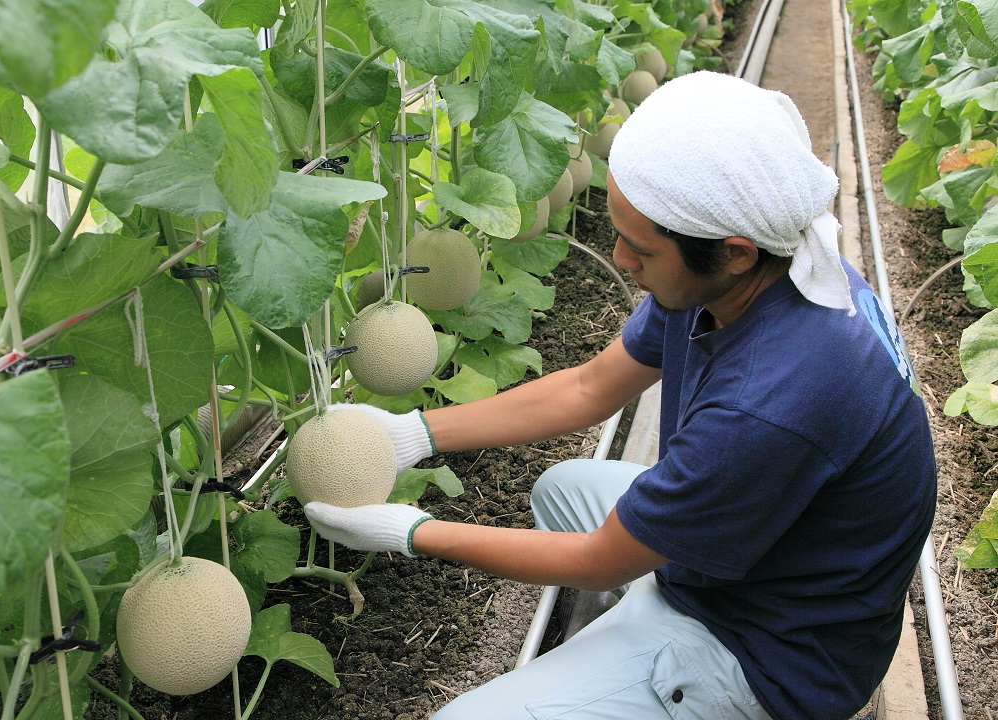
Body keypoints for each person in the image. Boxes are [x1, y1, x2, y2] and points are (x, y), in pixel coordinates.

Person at [304, 71, 937, 720]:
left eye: (639, 249)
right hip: (759, 558)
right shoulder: (756, 266)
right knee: (561, 489)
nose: (619, 259)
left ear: (735, 254)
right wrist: (415, 433)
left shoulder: (770, 401)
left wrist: (413, 531)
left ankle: (667, 679)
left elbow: (598, 561)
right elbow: (588, 388)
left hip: (767, 653)